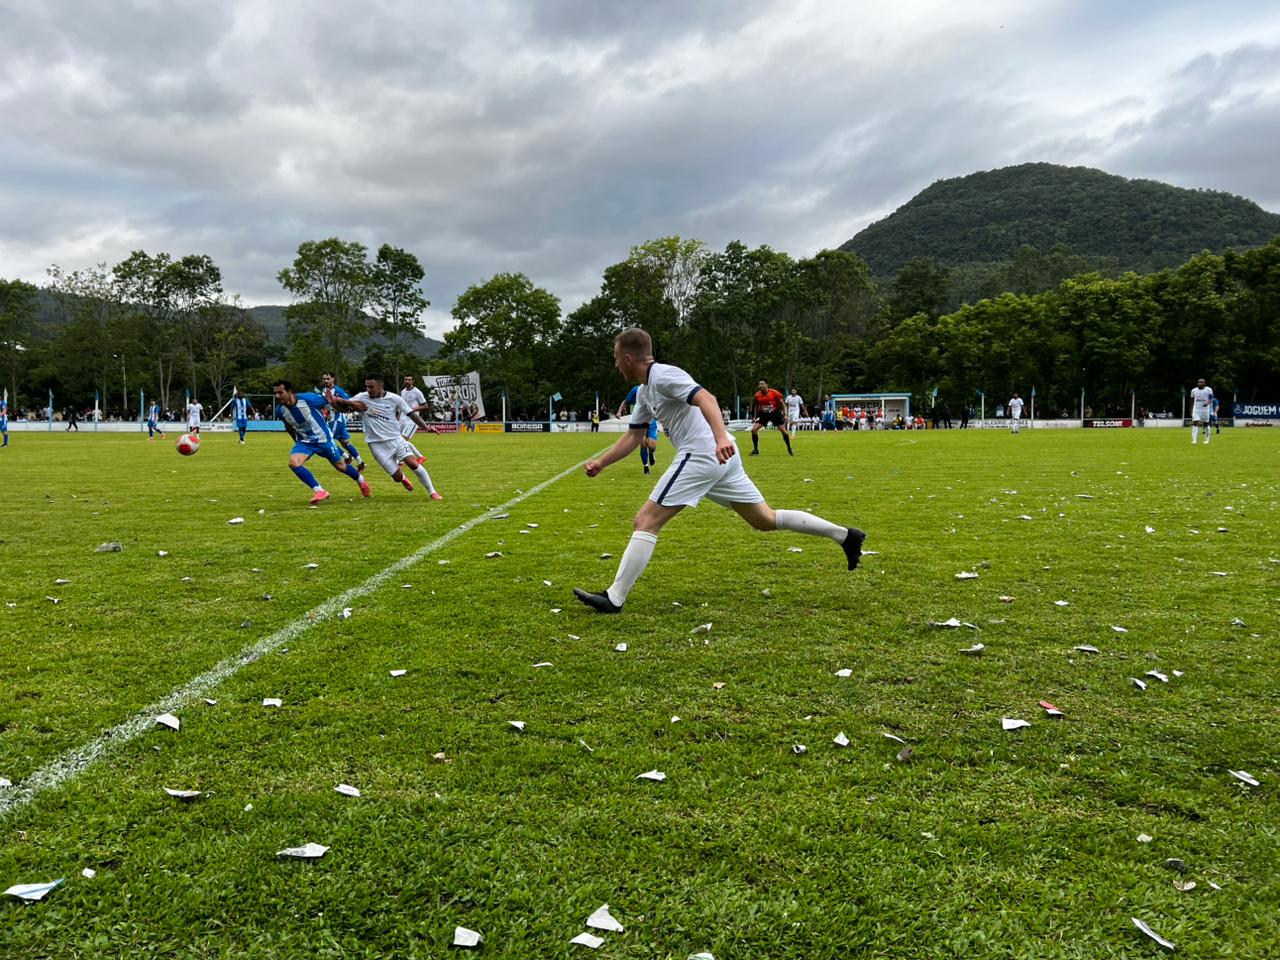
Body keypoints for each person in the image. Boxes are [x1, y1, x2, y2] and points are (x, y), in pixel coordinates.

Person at [573, 328, 865, 615]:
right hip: (721, 457)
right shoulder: (646, 391)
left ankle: (614, 598)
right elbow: (634, 436)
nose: (615, 365)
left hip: (704, 453)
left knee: (645, 521)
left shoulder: (663, 374)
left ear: (627, 358)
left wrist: (720, 436)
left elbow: (707, 398)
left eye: (616, 358)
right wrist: (601, 463)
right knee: (764, 519)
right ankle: (845, 536)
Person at [326, 376, 443, 499]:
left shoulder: (394, 398)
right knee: (397, 477)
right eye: (367, 386)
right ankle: (403, 478)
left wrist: (426, 427)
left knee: (413, 463)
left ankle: (432, 492)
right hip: (376, 444)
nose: (368, 389)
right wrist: (333, 403)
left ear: (380, 386)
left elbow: (412, 414)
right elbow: (345, 409)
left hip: (396, 439)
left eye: (371, 387)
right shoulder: (361, 397)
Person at [272, 379, 372, 505]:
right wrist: (296, 441)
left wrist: (348, 406)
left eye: (280, 392)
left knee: (341, 466)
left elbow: (331, 401)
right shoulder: (280, 411)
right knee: (294, 463)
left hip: (324, 440)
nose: (277, 396)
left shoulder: (309, 399)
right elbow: (288, 426)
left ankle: (361, 481)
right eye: (275, 393)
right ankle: (319, 491)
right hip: (305, 442)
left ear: (289, 391)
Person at [319, 373, 367, 471]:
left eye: (328, 378)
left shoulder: (338, 390)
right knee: (345, 442)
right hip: (332, 419)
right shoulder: (324, 390)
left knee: (326, 440)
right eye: (324, 379)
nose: (326, 381)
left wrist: (339, 406)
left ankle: (347, 457)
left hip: (337, 419)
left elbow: (349, 401)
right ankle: (360, 462)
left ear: (333, 379)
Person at [618, 385, 661, 473]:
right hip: (640, 422)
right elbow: (625, 401)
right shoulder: (636, 389)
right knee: (643, 444)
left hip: (651, 422)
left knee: (652, 446)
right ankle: (646, 467)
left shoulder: (654, 388)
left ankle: (651, 453)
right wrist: (619, 411)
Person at [750, 379, 793, 456]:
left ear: (766, 385)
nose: (760, 386)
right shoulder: (757, 395)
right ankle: (756, 450)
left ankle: (789, 448)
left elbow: (783, 404)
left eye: (762, 384)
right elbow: (756, 406)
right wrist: (755, 416)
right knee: (754, 430)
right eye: (759, 384)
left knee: (783, 431)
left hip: (774, 413)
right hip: (763, 414)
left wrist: (785, 414)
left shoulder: (774, 393)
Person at [400, 375, 428, 439]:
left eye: (409, 380)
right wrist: (398, 419)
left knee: (404, 439)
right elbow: (402, 406)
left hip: (412, 419)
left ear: (412, 381)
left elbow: (425, 406)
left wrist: (412, 409)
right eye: (406, 379)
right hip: (402, 418)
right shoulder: (402, 392)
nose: (407, 381)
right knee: (397, 440)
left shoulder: (417, 392)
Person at [1190, 378, 1213, 445]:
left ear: (1204, 383)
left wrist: (1208, 403)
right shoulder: (1194, 390)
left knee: (1206, 424)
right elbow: (1191, 400)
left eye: (1202, 382)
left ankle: (1207, 440)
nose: (1200, 383)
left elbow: (1211, 398)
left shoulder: (1209, 389)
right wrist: (1191, 409)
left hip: (1205, 410)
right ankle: (1194, 440)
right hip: (1196, 409)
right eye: (1199, 382)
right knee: (1195, 423)